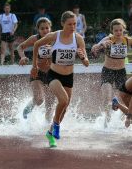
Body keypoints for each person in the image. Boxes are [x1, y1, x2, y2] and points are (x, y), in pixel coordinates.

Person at [31, 11, 89, 147]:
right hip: (54, 75)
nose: (73, 27)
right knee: (64, 100)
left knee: (64, 107)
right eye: (69, 24)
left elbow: (86, 63)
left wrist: (83, 57)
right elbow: (36, 45)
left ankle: (50, 132)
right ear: (63, 24)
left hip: (69, 77)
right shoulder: (54, 36)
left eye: (75, 24)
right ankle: (56, 125)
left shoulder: (79, 39)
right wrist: (34, 66)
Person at [91, 18, 132, 127]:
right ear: (112, 31)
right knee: (107, 97)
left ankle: (123, 118)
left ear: (123, 30)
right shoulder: (108, 39)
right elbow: (94, 48)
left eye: (120, 30)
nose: (118, 33)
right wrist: (101, 45)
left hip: (121, 73)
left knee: (125, 99)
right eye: (116, 31)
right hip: (108, 72)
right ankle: (106, 120)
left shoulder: (127, 40)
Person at [17, 17, 55, 122]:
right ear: (38, 30)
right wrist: (23, 57)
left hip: (52, 75)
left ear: (50, 28)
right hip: (37, 73)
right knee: (39, 100)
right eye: (42, 28)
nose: (45, 31)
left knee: (50, 104)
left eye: (47, 28)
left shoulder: (55, 38)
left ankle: (47, 126)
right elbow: (20, 47)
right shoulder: (35, 38)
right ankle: (29, 107)